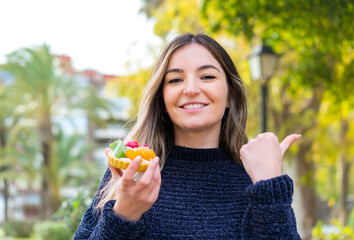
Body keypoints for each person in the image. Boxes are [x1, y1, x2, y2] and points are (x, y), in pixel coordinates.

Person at [74, 33, 301, 239]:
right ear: (162, 100)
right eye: (175, 80)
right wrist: (123, 214)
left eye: (207, 76)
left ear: (231, 95)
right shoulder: (132, 173)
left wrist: (268, 187)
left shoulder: (256, 178)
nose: (191, 89)